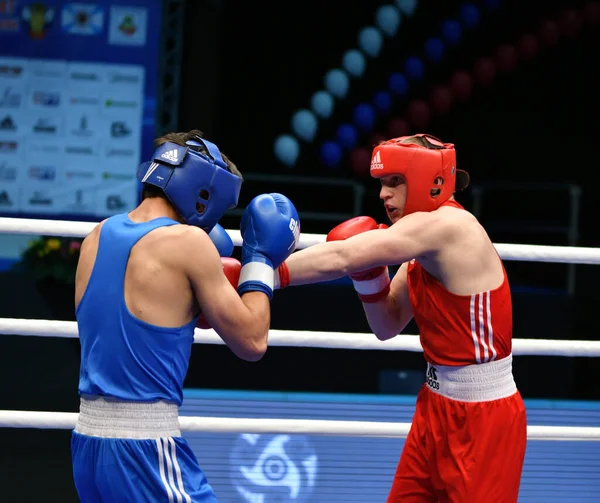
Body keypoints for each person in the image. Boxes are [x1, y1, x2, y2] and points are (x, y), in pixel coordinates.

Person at [274, 134, 527, 502]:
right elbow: (386, 325)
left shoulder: (449, 228)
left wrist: (255, 274)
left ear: (432, 181)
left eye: (395, 182)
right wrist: (369, 280)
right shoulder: (418, 249)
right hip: (434, 408)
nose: (383, 195)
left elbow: (342, 256)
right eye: (381, 183)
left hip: (483, 421)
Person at [71, 129, 300, 502]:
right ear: (204, 193)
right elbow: (252, 341)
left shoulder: (96, 236)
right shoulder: (187, 243)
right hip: (144, 449)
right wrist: (260, 261)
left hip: (87, 443)